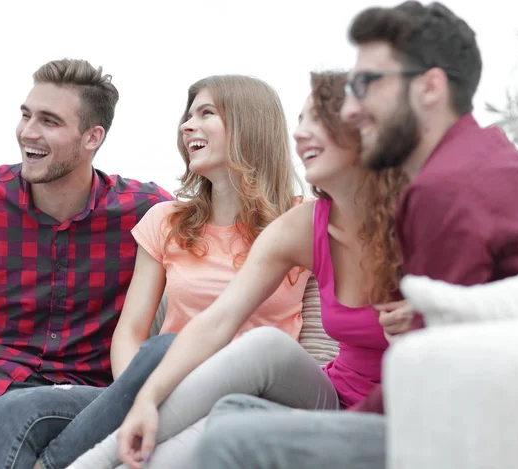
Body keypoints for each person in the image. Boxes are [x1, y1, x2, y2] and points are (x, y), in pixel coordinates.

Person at [192, 2, 518, 468]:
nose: (355, 107)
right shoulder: (480, 161)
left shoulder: (443, 189)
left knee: (234, 440)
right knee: (232, 415)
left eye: (369, 85)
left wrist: (344, 421)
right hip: (398, 398)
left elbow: (431, 372)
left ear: (429, 87)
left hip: (462, 424)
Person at [0, 74, 310, 469]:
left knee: (165, 349)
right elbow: (130, 331)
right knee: (13, 408)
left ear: (249, 124)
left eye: (206, 113)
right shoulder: (167, 220)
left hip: (246, 395)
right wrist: (138, 390)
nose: (187, 125)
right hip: (162, 387)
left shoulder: (300, 222)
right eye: (188, 114)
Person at [75, 70, 408, 469]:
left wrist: (440, 320)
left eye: (319, 122)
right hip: (330, 398)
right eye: (301, 122)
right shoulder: (303, 225)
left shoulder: (429, 220)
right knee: (251, 362)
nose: (301, 135)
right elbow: (218, 320)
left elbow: (494, 315)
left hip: (407, 411)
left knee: (228, 413)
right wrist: (145, 398)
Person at [0, 58, 172, 460]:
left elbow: (217, 251)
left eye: (49, 121)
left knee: (9, 416)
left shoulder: (146, 212)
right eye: (26, 115)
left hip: (77, 401)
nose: (28, 131)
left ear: (92, 137)